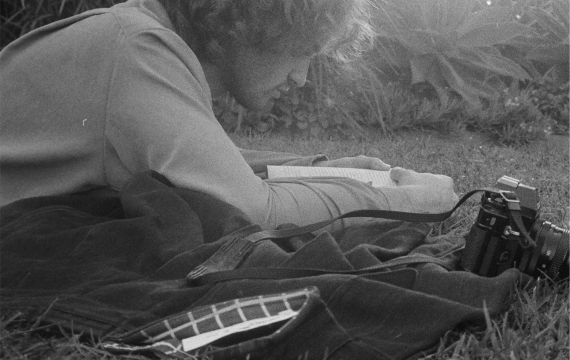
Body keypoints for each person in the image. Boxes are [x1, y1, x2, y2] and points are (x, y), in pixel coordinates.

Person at [0, 0, 458, 231]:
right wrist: (413, 201)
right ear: (247, 19)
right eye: (300, 51)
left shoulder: (143, 36)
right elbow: (253, 210)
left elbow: (207, 163)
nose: (301, 76)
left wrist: (321, 171)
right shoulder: (137, 50)